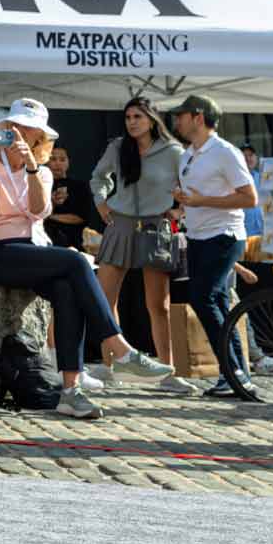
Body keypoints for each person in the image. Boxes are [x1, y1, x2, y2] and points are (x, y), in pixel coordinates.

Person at [0, 98, 175, 419]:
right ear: (4, 129)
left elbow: (36, 211)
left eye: (27, 129)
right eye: (14, 127)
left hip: (28, 249)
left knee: (66, 289)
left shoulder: (42, 172)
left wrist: (30, 166)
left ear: (39, 138)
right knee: (75, 263)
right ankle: (121, 349)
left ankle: (71, 391)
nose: (18, 133)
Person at [90, 97, 193, 396]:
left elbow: (192, 186)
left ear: (151, 119)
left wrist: (179, 211)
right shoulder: (118, 147)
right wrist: (101, 203)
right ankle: (109, 366)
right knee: (103, 299)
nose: (132, 122)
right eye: (128, 117)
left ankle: (168, 372)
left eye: (138, 116)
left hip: (155, 227)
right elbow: (99, 177)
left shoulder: (174, 152)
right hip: (119, 224)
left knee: (158, 305)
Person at [165, 93, 263, 403]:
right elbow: (198, 196)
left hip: (224, 236)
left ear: (198, 117)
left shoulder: (225, 152)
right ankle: (234, 374)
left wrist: (199, 201)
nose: (176, 121)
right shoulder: (188, 154)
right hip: (198, 236)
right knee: (217, 303)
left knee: (203, 298)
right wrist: (181, 207)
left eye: (180, 115)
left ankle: (233, 371)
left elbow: (250, 198)